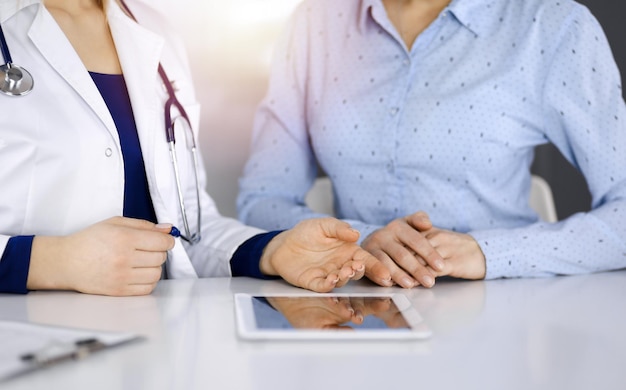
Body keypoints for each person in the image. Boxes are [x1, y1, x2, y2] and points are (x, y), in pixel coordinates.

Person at [0, 0, 393, 296]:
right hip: (30, 344)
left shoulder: (155, 33)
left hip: (159, 341)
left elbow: (190, 230)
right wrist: (50, 262)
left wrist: (270, 252)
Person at [237, 0, 626, 288]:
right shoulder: (314, 22)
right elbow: (261, 200)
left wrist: (488, 252)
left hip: (502, 310)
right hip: (358, 311)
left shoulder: (553, 26)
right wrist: (362, 237)